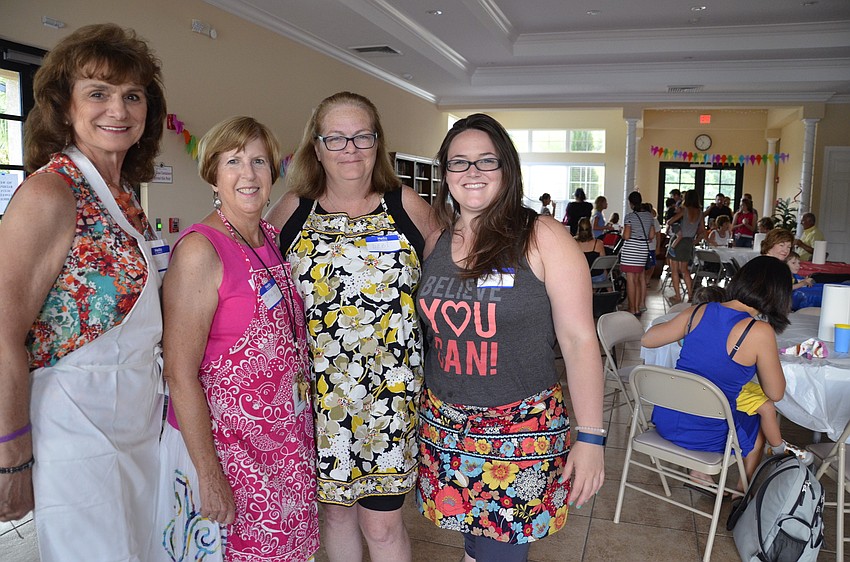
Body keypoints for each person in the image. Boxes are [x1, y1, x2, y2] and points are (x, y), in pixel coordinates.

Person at [0, 24, 167, 560]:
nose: (118, 109)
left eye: (132, 95)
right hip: (73, 424)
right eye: (98, 93)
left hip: (135, 419)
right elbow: (2, 333)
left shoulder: (124, 197)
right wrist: (11, 453)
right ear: (63, 108)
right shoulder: (50, 191)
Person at [416, 113, 604, 562]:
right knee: (474, 542)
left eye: (487, 161)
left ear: (508, 169)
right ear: (445, 173)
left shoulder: (542, 236)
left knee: (500, 550)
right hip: (447, 422)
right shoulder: (437, 239)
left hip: (520, 428)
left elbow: (580, 341)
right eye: (459, 162)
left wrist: (592, 437)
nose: (472, 172)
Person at [266, 91, 436, 562]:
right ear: (316, 147)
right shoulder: (292, 209)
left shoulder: (406, 205)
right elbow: (260, 288)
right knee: (336, 516)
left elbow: (448, 283)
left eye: (362, 136)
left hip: (392, 399)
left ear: (377, 142)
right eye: (336, 138)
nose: (351, 148)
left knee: (381, 523)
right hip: (320, 395)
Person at [159, 117, 319, 561]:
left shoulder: (268, 236)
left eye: (258, 161)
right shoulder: (199, 250)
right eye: (233, 162)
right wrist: (209, 475)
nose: (247, 174)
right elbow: (179, 371)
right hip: (233, 454)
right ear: (213, 173)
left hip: (285, 445)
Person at [641, 256, 802, 492]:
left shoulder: (699, 311)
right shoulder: (759, 331)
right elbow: (775, 393)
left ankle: (700, 475)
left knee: (722, 406)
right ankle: (741, 492)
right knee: (757, 430)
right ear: (778, 295)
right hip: (710, 435)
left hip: (666, 420)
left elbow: (648, 339)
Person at [665, 190, 705, 303]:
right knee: (685, 270)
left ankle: (678, 295)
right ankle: (691, 294)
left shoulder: (684, 210)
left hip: (679, 241)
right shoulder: (700, 213)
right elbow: (702, 231)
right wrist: (695, 241)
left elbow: (670, 221)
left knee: (674, 270)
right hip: (688, 242)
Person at [620, 191, 656, 315]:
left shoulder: (630, 217)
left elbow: (626, 235)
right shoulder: (649, 216)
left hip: (631, 249)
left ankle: (632, 308)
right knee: (637, 279)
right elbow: (651, 235)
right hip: (642, 250)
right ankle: (637, 307)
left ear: (631, 203)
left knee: (631, 280)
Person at [576, 217, 608, 282]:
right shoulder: (598, 243)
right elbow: (603, 263)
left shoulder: (573, 243)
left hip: (580, 277)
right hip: (597, 277)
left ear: (578, 229)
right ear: (590, 228)